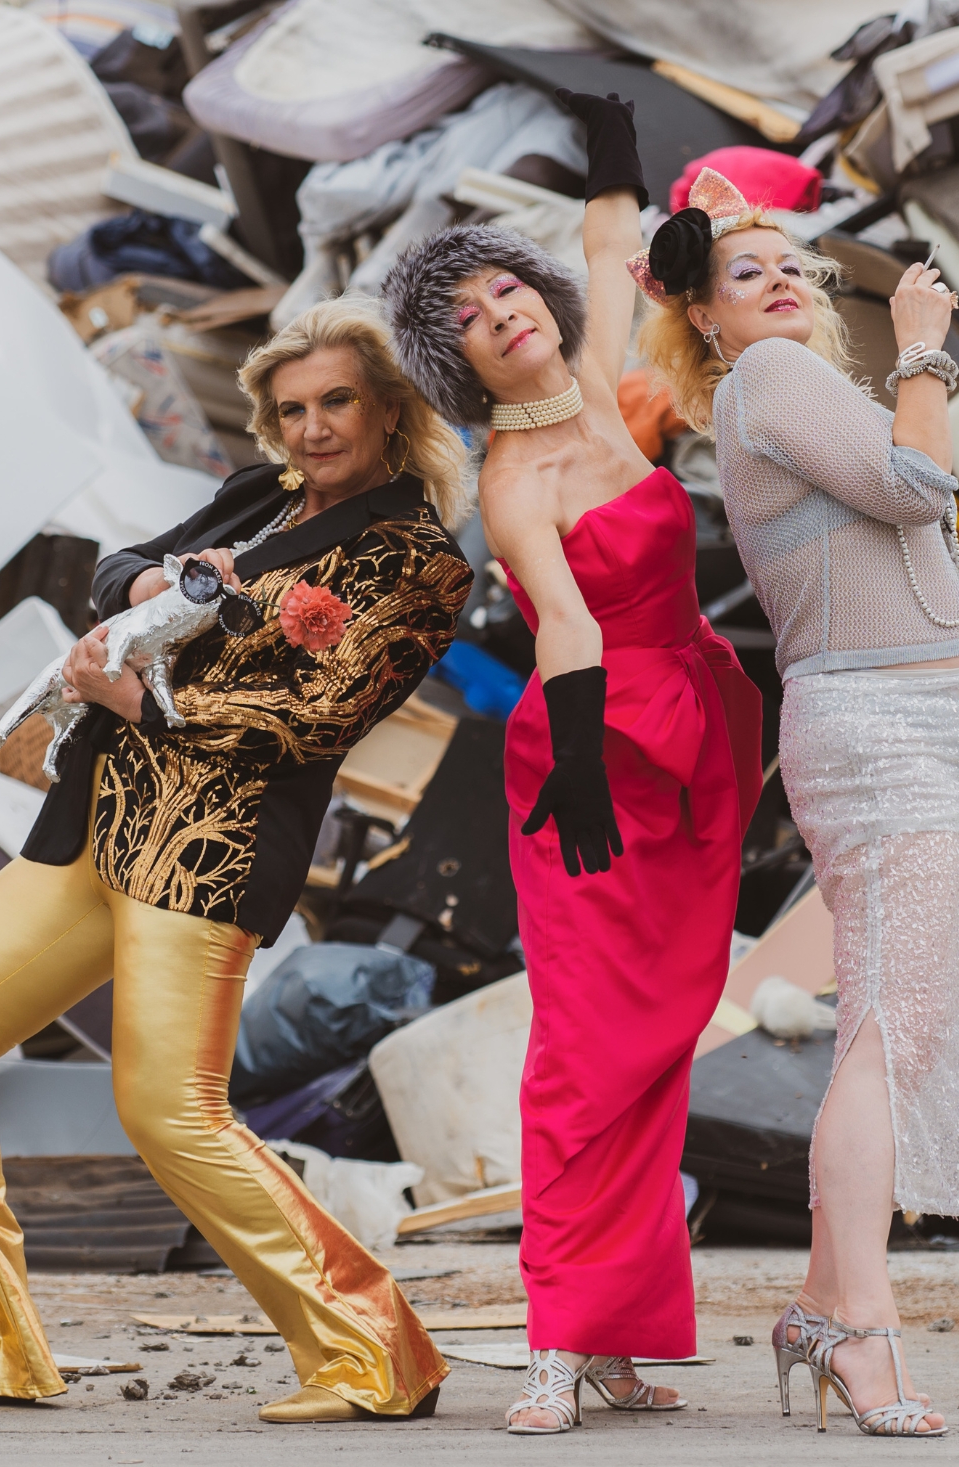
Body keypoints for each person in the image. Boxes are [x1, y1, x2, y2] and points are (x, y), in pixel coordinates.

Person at [0, 301, 473, 1423]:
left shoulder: (417, 561)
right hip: (96, 822)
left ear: (388, 407)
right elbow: (122, 566)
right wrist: (145, 591)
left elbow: (316, 719)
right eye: (291, 410)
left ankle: (376, 1351)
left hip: (209, 847)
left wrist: (147, 693)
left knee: (166, 1110)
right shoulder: (264, 497)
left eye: (336, 401)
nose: (313, 428)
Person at [382, 95, 761, 1436]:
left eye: (506, 289)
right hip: (588, 745)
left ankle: (620, 1336)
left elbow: (610, 243)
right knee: (586, 1052)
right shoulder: (513, 475)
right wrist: (588, 755)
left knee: (660, 1043)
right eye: (476, 320)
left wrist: (613, 138)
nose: (505, 314)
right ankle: (555, 1335)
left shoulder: (600, 380)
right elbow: (564, 617)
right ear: (461, 365)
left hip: (692, 729)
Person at [638, 166, 959, 1438]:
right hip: (884, 731)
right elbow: (915, 489)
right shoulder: (776, 382)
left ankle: (818, 1304)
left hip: (912, 728)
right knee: (896, 1029)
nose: (782, 277)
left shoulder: (786, 389)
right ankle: (862, 1330)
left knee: (889, 1023)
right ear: (704, 317)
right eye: (746, 272)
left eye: (791, 261)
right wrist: (923, 355)